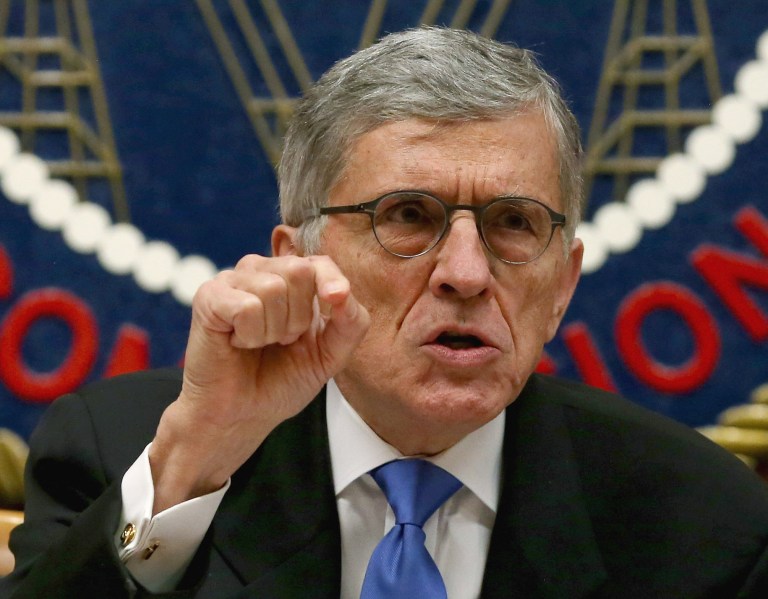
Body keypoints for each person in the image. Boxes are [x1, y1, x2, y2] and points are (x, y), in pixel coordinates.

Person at [2, 26, 768, 599]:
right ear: (300, 261)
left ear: (563, 282)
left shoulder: (701, 520)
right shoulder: (119, 451)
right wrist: (191, 464)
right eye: (407, 215)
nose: (466, 273)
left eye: (513, 223)